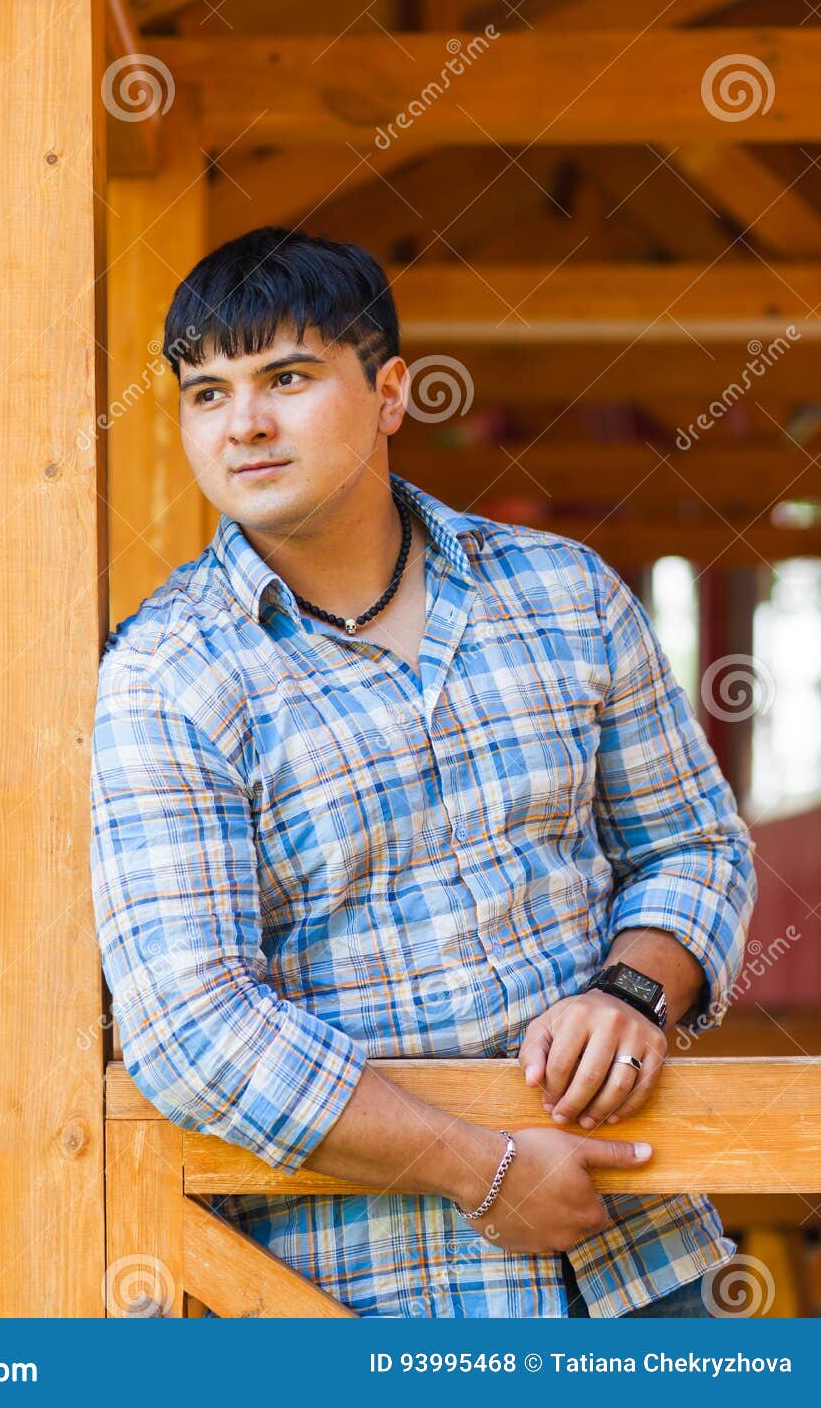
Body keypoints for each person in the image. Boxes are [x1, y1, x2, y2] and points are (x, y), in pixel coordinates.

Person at [89, 225, 757, 1318]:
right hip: (360, 1301)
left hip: (646, 1264)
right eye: (204, 393)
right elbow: (191, 1024)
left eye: (286, 377)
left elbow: (692, 843)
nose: (242, 422)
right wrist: (479, 1169)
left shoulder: (565, 593)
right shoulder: (165, 674)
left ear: (390, 391)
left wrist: (634, 987)